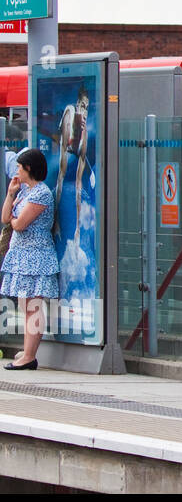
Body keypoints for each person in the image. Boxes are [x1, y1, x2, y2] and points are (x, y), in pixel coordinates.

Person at [1, 148, 57, 370]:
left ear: (29, 168)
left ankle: (30, 357)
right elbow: (6, 218)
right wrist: (10, 193)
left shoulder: (41, 193)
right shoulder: (24, 191)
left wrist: (15, 220)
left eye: (19, 167)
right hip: (22, 256)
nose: (16, 170)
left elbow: (19, 224)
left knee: (33, 305)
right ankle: (28, 351)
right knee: (26, 306)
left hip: (36, 255)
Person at [53, 88, 90, 245]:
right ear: (77, 104)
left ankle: (76, 230)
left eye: (86, 108)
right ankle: (58, 224)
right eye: (82, 105)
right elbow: (61, 169)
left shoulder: (85, 131)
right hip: (63, 167)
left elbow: (78, 181)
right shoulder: (69, 112)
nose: (84, 111)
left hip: (73, 179)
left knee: (77, 186)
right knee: (61, 179)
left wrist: (77, 229)